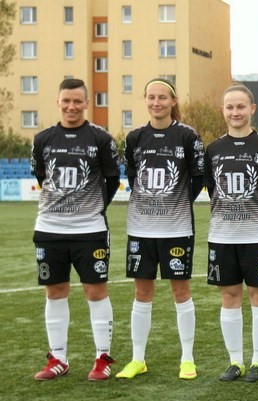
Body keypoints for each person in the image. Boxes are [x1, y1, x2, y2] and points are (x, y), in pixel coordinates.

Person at [116, 78, 205, 380]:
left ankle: (187, 359)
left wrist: (175, 203)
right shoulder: (135, 137)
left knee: (181, 291)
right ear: (145, 100)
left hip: (176, 228)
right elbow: (132, 175)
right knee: (142, 292)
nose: (157, 102)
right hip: (141, 229)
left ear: (173, 101)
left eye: (163, 97)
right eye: (151, 97)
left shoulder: (187, 136)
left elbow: (198, 178)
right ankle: (137, 359)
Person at [31, 78, 119, 381]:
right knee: (55, 292)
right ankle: (58, 359)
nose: (72, 106)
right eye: (66, 101)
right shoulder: (43, 139)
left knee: (95, 291)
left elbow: (111, 180)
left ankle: (102, 358)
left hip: (89, 229)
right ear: (58, 101)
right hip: (49, 228)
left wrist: (91, 209)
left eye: (77, 101)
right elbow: (42, 177)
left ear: (86, 103)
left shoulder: (101, 138)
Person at [206, 84, 258, 382]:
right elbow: (212, 188)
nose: (235, 112)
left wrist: (256, 213)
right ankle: (235, 361)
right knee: (229, 296)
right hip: (222, 236)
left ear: (252, 109)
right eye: (230, 107)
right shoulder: (214, 149)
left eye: (241, 106)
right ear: (223, 111)